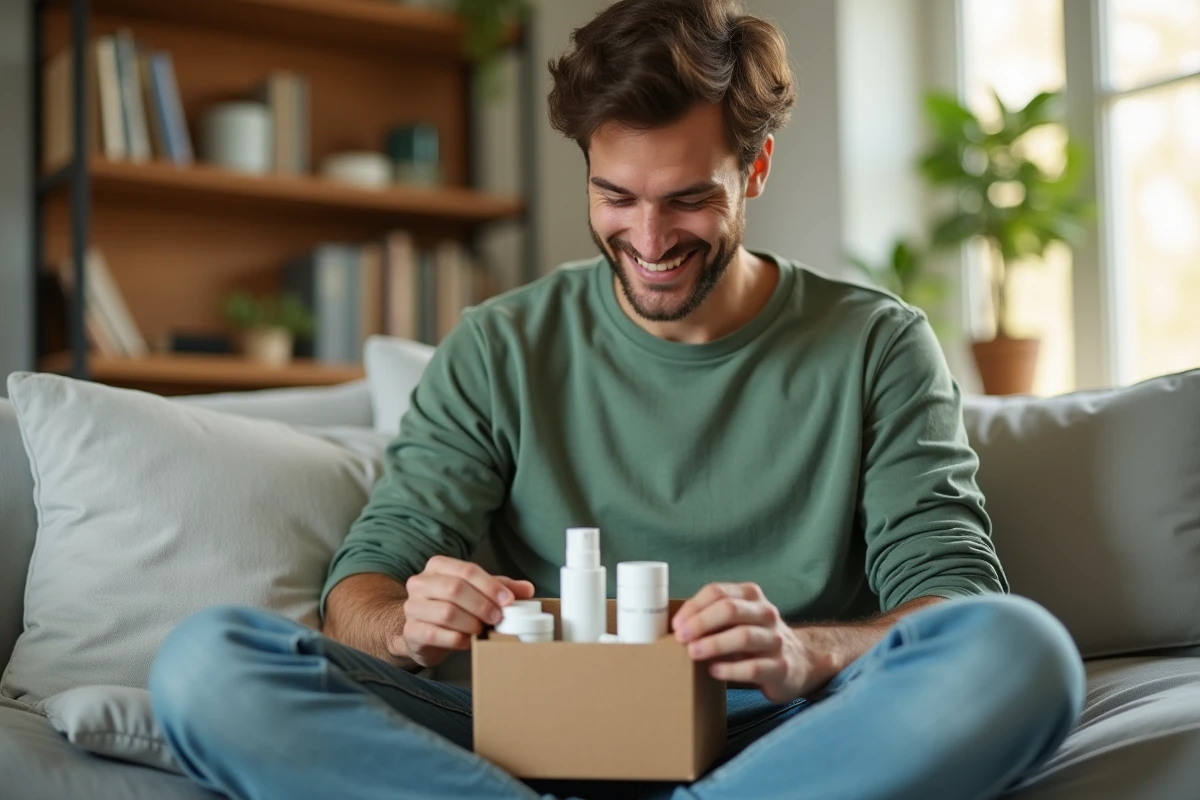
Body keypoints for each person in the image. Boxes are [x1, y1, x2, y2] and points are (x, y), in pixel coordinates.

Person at [149, 1, 1084, 798]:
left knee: (1022, 651)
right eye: (616, 197)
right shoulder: (500, 344)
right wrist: (404, 621)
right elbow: (359, 585)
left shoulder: (877, 344)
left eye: (687, 199)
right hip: (513, 730)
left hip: (781, 734)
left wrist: (805, 653)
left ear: (753, 172)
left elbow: (956, 595)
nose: (648, 238)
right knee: (205, 664)